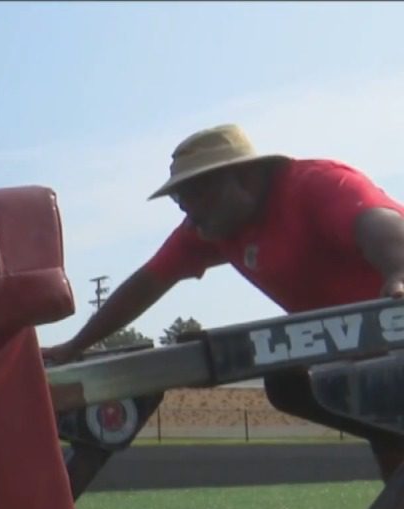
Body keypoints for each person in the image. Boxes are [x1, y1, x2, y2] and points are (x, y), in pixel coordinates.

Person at [42, 123, 404, 479]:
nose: (186, 209)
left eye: (194, 192)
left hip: (392, 333)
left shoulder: (318, 184)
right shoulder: (211, 228)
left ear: (243, 177)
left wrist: (397, 272)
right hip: (369, 356)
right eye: (178, 198)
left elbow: (379, 224)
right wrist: (76, 345)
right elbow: (147, 282)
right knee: (290, 387)